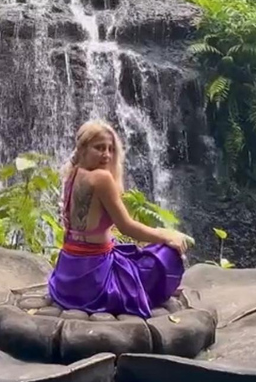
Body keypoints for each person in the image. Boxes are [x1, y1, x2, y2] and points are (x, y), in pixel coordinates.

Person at [47, 119, 193, 319]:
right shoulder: (101, 178)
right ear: (82, 149)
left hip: (67, 277)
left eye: (110, 148)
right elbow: (126, 227)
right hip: (94, 281)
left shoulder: (72, 174)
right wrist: (165, 235)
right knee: (167, 253)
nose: (106, 154)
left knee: (128, 252)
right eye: (99, 148)